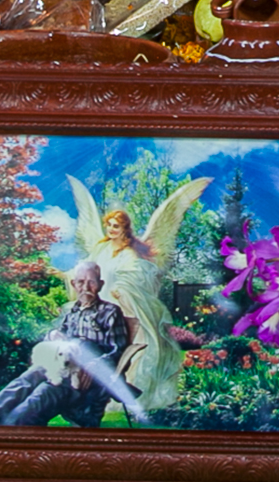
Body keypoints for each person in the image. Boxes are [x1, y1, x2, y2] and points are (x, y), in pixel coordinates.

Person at [68, 175, 212, 412]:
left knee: (136, 343)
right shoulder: (100, 247)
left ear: (125, 228)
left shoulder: (133, 251)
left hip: (123, 303)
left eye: (116, 226)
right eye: (109, 225)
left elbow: (140, 273)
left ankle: (127, 391)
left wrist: (122, 288)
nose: (111, 230)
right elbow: (86, 269)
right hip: (100, 304)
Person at [0, 260, 135, 427]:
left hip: (87, 377)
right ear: (74, 285)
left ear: (101, 284)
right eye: (80, 282)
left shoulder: (110, 312)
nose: (86, 287)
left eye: (92, 282)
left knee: (45, 392)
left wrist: (92, 365)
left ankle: (9, 428)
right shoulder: (71, 313)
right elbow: (53, 343)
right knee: (30, 375)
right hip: (63, 366)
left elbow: (117, 350)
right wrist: (52, 335)